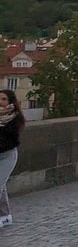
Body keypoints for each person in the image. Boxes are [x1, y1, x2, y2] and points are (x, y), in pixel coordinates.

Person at [0, 89, 26, 228]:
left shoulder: (15, 118)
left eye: (4, 99)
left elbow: (13, 140)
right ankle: (5, 216)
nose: (1, 102)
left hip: (7, 155)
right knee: (1, 186)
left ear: (10, 101)